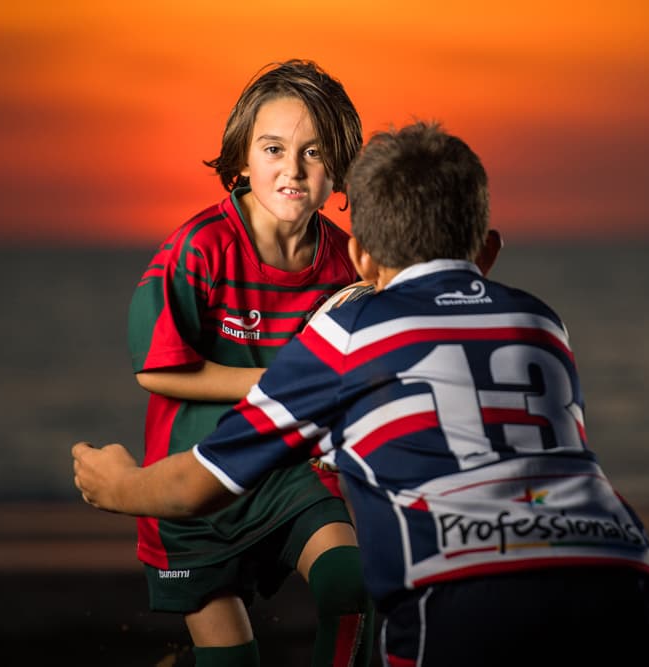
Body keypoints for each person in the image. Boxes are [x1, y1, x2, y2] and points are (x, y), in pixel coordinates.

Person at [76, 122, 649, 665]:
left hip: (464, 591)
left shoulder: (349, 327)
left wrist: (118, 483)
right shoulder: (541, 322)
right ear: (488, 251)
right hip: (628, 582)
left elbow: (196, 486)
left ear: (360, 260)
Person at [123, 59, 374, 667]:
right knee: (231, 660)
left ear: (338, 169)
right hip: (193, 484)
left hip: (293, 475)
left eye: (314, 153)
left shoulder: (347, 264)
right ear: (240, 159)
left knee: (353, 586)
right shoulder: (199, 249)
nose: (292, 169)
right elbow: (155, 369)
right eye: (273, 148)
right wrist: (278, 384)